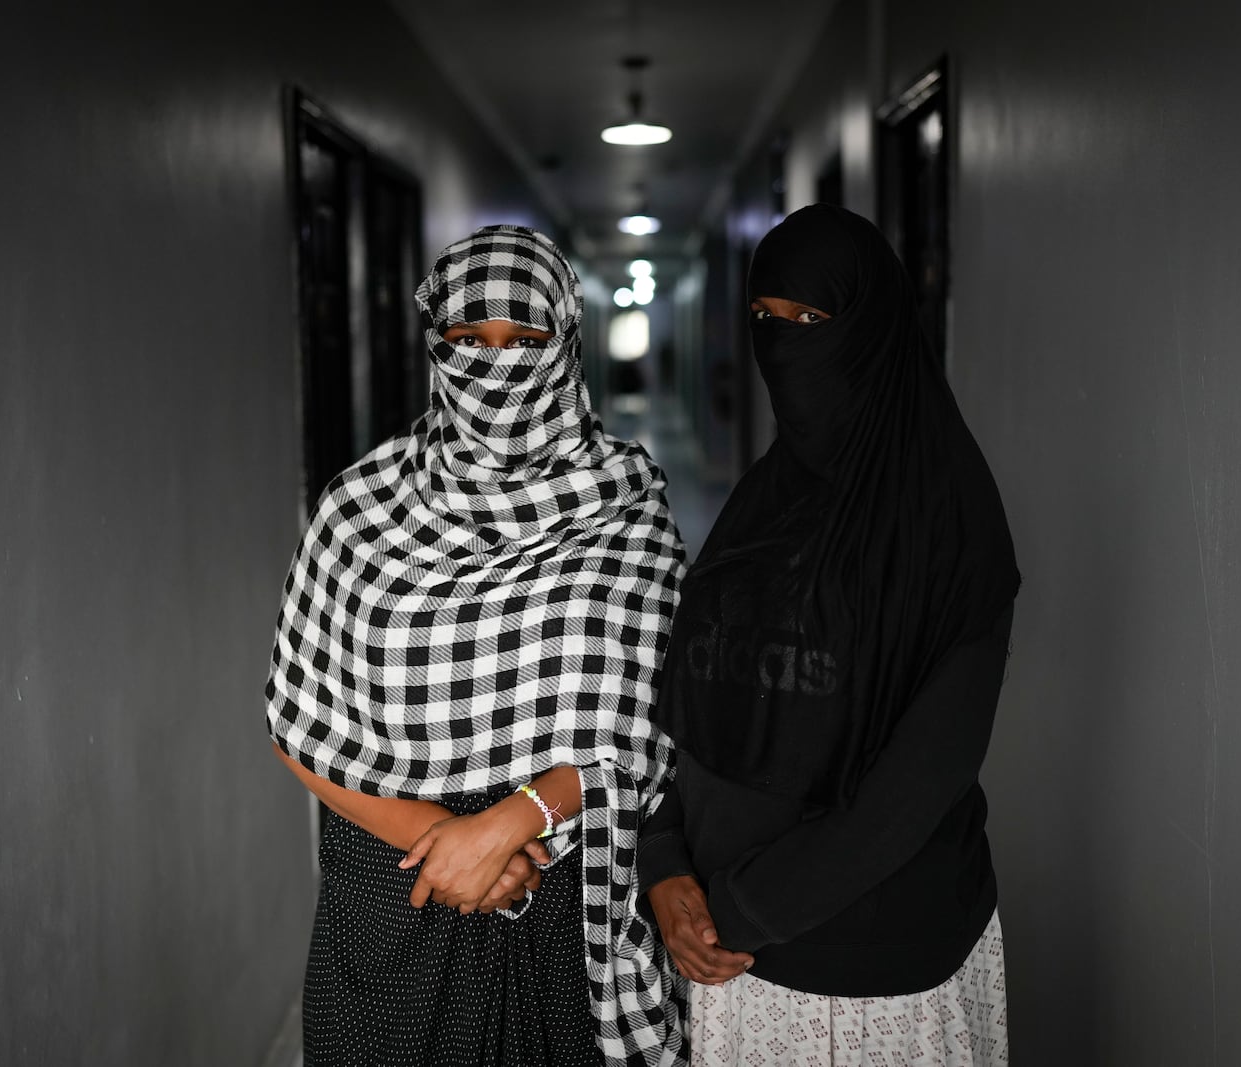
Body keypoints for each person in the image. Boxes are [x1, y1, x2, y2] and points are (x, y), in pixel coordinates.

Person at [266, 225, 687, 1066]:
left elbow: (656, 729)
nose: (496, 367)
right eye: (469, 342)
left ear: (567, 345)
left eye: (524, 341)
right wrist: (449, 840)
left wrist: (512, 824)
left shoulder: (629, 511)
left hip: (564, 910)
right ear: (436, 346)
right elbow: (298, 719)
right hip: (397, 898)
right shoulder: (359, 510)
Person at [639, 204, 1021, 1065]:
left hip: (881, 967)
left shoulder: (948, 518)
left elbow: (923, 778)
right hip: (735, 971)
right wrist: (665, 865)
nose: (785, 346)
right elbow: (696, 702)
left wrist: (734, 913)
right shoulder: (762, 502)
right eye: (765, 321)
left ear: (873, 328)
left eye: (812, 321)